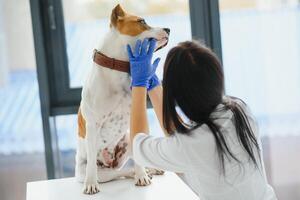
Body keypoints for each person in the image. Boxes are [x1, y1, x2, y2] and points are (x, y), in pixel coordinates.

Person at [126, 39, 277, 200]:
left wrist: (139, 84)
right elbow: (187, 139)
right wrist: (154, 85)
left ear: (178, 98)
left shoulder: (192, 144)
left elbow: (138, 144)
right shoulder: (240, 109)